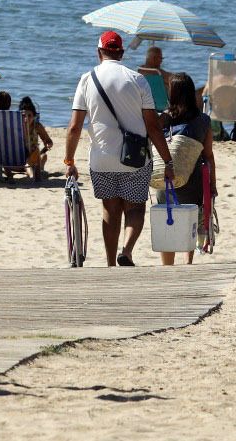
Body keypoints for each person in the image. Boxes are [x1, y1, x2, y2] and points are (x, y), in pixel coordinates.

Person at [64, 30, 175, 268]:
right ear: (122, 53)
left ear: (98, 52)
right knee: (135, 207)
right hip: (135, 158)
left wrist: (69, 161)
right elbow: (153, 127)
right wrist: (168, 161)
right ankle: (126, 251)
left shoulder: (86, 79)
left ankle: (110, 264)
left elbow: (74, 128)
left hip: (101, 158)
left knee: (109, 209)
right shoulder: (138, 80)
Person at [159, 73, 216, 266]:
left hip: (166, 178)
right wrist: (213, 184)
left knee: (167, 220)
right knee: (190, 220)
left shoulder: (163, 119)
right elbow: (208, 155)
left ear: (171, 93)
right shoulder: (203, 120)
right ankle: (187, 263)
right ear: (192, 93)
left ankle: (168, 266)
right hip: (194, 180)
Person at [19, 95, 53, 182]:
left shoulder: (36, 126)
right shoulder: (17, 127)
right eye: (23, 116)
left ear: (34, 116)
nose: (26, 118)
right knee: (39, 156)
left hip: (32, 157)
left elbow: (48, 141)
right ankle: (38, 170)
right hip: (18, 159)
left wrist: (48, 144)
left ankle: (38, 169)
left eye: (29, 115)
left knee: (42, 155)